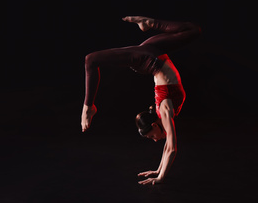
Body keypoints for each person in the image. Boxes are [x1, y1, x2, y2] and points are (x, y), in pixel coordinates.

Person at [81, 16, 201, 185]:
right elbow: (169, 148)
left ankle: (89, 106)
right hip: (154, 52)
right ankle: (149, 23)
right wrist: (158, 171)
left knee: (91, 60)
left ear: (154, 125)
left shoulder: (165, 110)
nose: (155, 140)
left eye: (152, 137)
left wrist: (160, 178)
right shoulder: (166, 112)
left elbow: (171, 148)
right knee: (194, 31)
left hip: (147, 59)